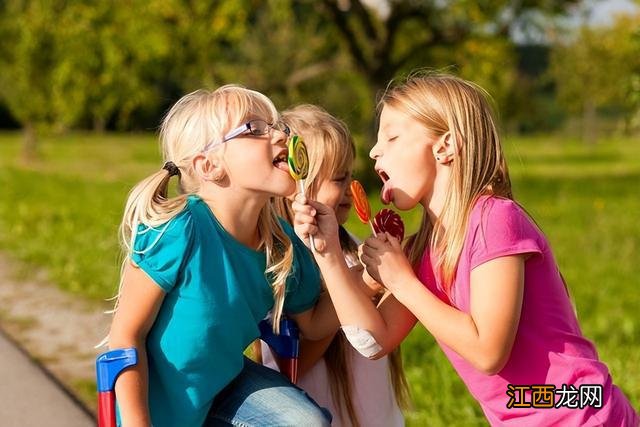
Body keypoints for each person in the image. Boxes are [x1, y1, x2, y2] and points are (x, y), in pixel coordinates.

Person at [292, 73, 639, 426]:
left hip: (585, 413)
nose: (374, 150)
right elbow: (372, 342)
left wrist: (403, 283)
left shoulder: (495, 219)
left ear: (446, 147)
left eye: (392, 137)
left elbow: (488, 352)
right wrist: (328, 252)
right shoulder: (424, 249)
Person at [106, 85, 337, 427]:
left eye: (278, 127)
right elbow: (125, 337)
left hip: (224, 386)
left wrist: (370, 277)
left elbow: (314, 325)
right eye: (255, 129)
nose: (280, 135)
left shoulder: (281, 243)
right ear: (210, 165)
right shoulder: (180, 229)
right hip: (158, 408)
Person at [256, 104, 410, 427]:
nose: (352, 189)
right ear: (297, 183)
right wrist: (363, 286)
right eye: (340, 178)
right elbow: (296, 362)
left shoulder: (354, 244)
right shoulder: (284, 261)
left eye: (352, 175)